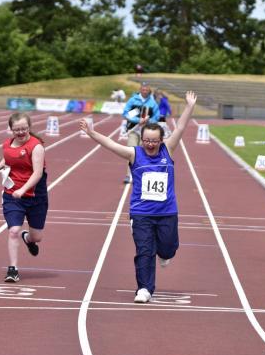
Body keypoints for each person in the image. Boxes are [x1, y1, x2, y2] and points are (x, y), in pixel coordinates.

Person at [79, 91, 198, 303]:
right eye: (146, 141)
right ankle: (144, 288)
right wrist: (92, 133)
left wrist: (189, 106)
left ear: (161, 140)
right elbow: (110, 144)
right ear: (141, 140)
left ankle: (165, 254)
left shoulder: (168, 150)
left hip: (167, 212)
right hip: (141, 213)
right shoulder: (134, 153)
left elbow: (180, 127)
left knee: (168, 249)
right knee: (144, 250)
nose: (150, 145)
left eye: (154, 141)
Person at [0, 112, 48, 283]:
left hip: (36, 195)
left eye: (24, 129)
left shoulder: (36, 146)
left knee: (37, 237)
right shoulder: (7, 144)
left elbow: (37, 173)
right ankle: (13, 269)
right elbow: (8, 158)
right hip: (12, 195)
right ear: (11, 130)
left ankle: (27, 238)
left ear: (29, 127)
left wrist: (23, 190)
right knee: (13, 230)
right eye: (17, 130)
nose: (21, 132)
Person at [121, 82, 160, 184]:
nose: (144, 91)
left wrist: (148, 121)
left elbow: (156, 117)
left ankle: (139, 175)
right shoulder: (133, 100)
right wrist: (138, 120)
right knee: (131, 152)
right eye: (143, 89)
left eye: (146, 89)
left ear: (149, 90)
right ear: (140, 89)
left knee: (142, 154)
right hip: (133, 130)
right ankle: (128, 175)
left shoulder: (152, 103)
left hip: (146, 133)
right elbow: (125, 113)